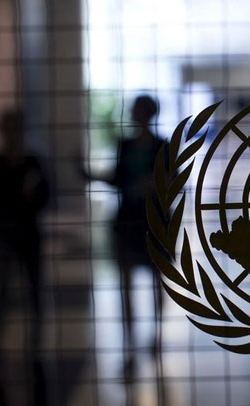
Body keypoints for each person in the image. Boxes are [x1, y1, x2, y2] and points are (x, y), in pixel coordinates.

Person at [81, 95, 166, 377]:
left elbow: (172, 183)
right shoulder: (127, 145)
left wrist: (153, 186)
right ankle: (134, 339)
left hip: (152, 223)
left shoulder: (162, 146)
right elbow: (118, 178)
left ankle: (155, 333)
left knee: (155, 281)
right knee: (128, 282)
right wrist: (90, 175)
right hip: (129, 222)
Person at [0, 108, 49, 406]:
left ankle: (36, 344)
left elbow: (46, 196)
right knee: (2, 290)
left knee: (34, 290)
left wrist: (30, 201)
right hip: (6, 238)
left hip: (28, 238)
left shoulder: (32, 161)